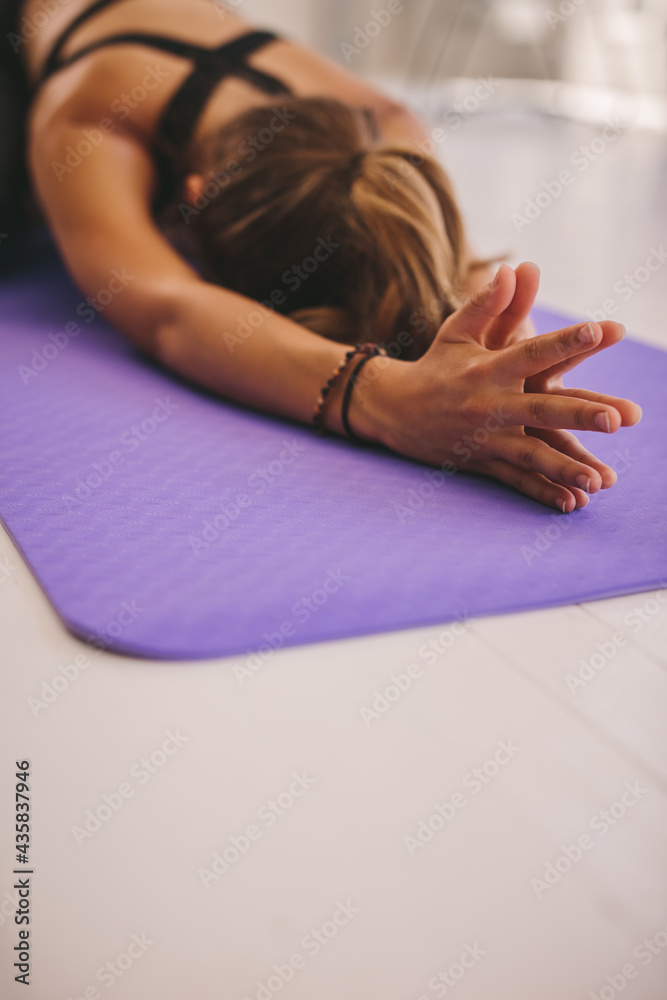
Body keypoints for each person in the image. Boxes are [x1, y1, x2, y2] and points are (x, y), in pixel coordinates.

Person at [1, 0, 641, 512]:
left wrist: (494, 343)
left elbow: (444, 249)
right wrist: (389, 402)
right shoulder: (87, 113)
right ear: (191, 205)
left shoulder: (390, 124)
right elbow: (169, 308)